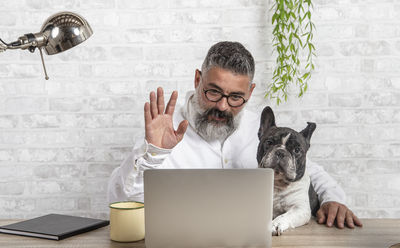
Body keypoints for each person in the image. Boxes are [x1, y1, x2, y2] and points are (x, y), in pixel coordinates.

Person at [107, 41, 362, 229]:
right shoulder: (164, 130)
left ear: (249, 93)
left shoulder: (263, 133)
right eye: (213, 92)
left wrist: (332, 199)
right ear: (198, 79)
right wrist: (153, 152)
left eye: (236, 97)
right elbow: (122, 200)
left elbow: (310, 171)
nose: (222, 106)